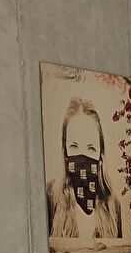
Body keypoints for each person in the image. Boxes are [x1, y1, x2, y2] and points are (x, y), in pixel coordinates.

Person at [47, 98, 124, 242]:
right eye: (74, 147)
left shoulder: (112, 204)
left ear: (101, 154)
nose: (83, 157)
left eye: (91, 148)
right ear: (65, 152)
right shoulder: (50, 196)